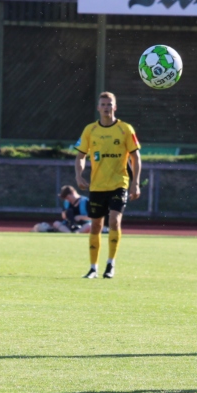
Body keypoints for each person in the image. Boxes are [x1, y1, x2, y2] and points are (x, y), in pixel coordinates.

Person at [74, 92, 141, 279]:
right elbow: (80, 156)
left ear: (115, 107)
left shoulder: (125, 129)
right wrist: (79, 175)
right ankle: (93, 268)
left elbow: (136, 157)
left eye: (109, 104)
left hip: (119, 183)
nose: (106, 107)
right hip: (97, 186)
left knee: (114, 221)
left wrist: (135, 183)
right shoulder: (90, 130)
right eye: (103, 104)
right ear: (98, 108)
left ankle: (110, 264)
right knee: (96, 225)